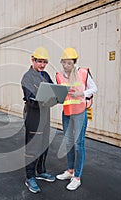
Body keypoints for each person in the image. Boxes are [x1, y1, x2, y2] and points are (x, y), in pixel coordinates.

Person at [55, 47, 97, 190]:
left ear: (74, 62)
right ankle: (70, 170)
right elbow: (60, 94)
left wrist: (81, 93)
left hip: (79, 112)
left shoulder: (83, 73)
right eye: (64, 63)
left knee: (79, 144)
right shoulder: (59, 76)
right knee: (68, 143)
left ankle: (77, 177)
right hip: (67, 112)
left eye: (69, 63)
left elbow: (94, 88)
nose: (66, 66)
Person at [21, 46, 57, 193]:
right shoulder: (27, 78)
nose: (42, 65)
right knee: (33, 147)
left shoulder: (46, 75)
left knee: (44, 144)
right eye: (40, 61)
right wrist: (45, 100)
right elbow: (31, 99)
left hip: (45, 116)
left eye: (45, 62)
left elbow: (54, 91)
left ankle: (41, 171)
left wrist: (56, 98)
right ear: (33, 60)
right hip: (33, 117)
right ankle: (30, 177)